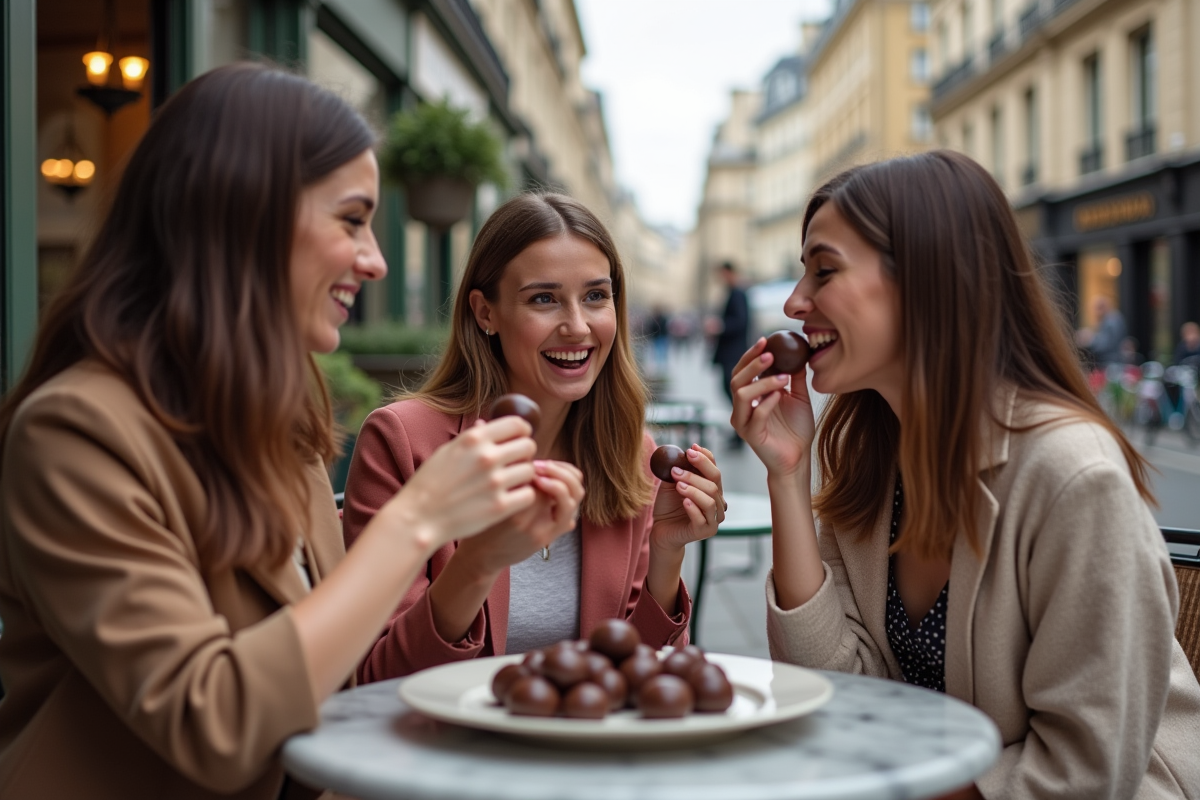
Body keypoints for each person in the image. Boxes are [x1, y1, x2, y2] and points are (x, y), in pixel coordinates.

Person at [0, 64, 568, 800]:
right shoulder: (75, 434)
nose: (376, 259)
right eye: (352, 218)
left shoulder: (278, 418)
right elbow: (218, 725)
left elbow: (342, 678)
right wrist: (418, 520)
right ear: (245, 215)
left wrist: (480, 556)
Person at [730, 151, 1200, 798]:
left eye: (824, 271)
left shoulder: (1072, 477)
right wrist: (787, 476)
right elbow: (835, 690)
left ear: (927, 280)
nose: (794, 301)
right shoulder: (865, 453)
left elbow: (1084, 773)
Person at [342, 193, 726, 680]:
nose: (577, 326)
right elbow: (379, 677)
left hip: (582, 749)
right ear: (485, 313)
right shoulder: (403, 441)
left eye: (595, 296)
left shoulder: (631, 455)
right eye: (543, 298)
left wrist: (668, 555)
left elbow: (638, 679)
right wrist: (479, 561)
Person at [711, 261, 750, 446]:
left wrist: (721, 326)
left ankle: (741, 430)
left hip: (734, 352)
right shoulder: (733, 292)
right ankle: (739, 429)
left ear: (728, 272)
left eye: (722, 274)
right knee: (729, 389)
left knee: (732, 389)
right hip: (731, 351)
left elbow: (741, 321)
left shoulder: (737, 293)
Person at [1078, 294, 1128, 367]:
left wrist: (1090, 339)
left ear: (1101, 308)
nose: (1094, 313)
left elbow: (1106, 345)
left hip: (1111, 363)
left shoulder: (1111, 321)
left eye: (1095, 309)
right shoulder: (1112, 318)